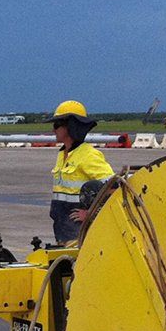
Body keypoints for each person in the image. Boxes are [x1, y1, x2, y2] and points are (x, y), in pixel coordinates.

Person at [48, 100, 114, 244]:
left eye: (57, 125)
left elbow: (113, 187)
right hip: (62, 228)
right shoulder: (62, 154)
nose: (53, 130)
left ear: (70, 126)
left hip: (79, 231)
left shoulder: (88, 155)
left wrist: (91, 214)